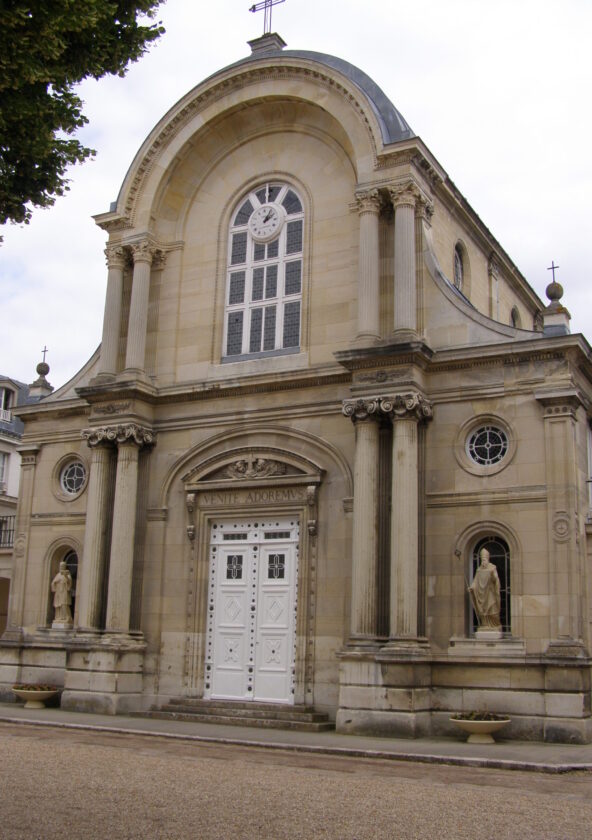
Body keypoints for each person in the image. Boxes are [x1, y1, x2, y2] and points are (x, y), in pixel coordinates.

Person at [469, 548, 501, 630]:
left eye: (484, 560)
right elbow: (475, 581)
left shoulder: (492, 568)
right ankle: (485, 625)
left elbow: (496, 580)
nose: (483, 562)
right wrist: (472, 587)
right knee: (483, 611)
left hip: (490, 592)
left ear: (487, 559)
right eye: (482, 560)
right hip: (481, 594)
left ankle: (495, 625)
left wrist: (494, 576)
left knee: (493, 610)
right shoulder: (479, 570)